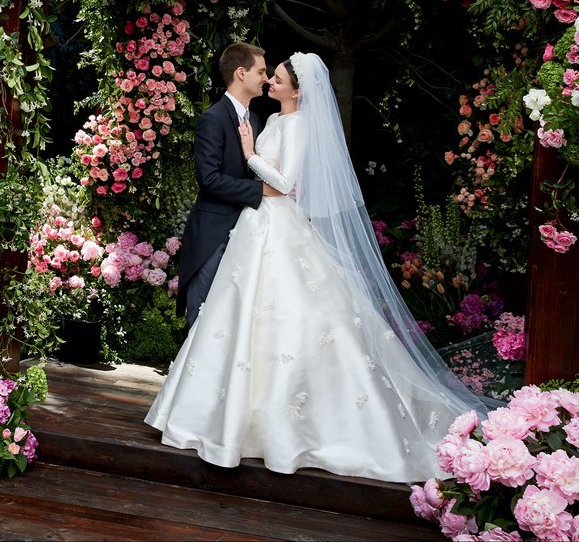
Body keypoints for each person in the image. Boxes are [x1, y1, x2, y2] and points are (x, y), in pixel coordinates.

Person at [146, 52, 495, 482]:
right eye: (266, 74)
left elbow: (284, 183)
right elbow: (240, 180)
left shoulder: (295, 125)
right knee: (235, 317)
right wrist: (257, 170)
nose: (269, 82)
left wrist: (251, 155)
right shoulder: (267, 120)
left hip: (276, 225)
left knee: (291, 317)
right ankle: (223, 417)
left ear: (297, 91)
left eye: (276, 78)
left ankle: (294, 427)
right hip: (253, 226)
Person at [176, 42, 279, 327]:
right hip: (214, 232)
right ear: (241, 73)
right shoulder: (212, 118)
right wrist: (261, 190)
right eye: (261, 72)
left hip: (248, 232)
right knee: (202, 314)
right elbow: (209, 179)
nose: (266, 78)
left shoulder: (256, 120)